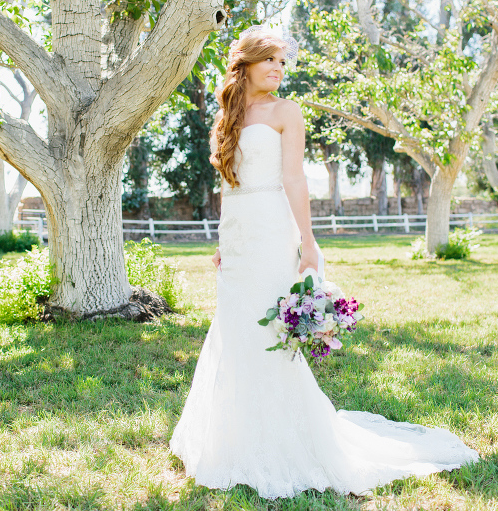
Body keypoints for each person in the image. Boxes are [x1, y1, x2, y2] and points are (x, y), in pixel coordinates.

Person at [169, 27, 479, 499]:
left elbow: (293, 178)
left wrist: (307, 242)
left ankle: (285, 440)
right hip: (238, 236)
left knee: (267, 332)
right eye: (269, 60)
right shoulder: (230, 114)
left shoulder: (286, 111)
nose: (277, 69)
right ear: (246, 64)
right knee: (234, 330)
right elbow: (230, 185)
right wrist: (222, 239)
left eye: (282, 63)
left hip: (273, 229)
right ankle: (231, 438)